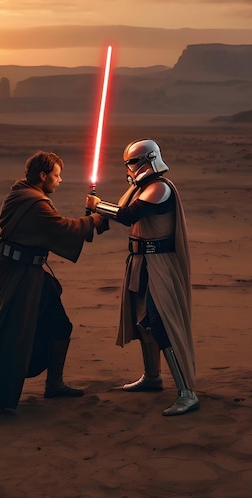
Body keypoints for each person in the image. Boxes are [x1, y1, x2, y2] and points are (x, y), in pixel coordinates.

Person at [0, 150, 105, 415]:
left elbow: (54, 229)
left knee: (60, 325)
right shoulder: (33, 202)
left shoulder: (24, 194)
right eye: (56, 175)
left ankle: (54, 384)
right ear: (43, 175)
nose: (59, 180)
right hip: (19, 275)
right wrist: (94, 218)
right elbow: (61, 228)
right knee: (10, 333)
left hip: (31, 274)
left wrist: (90, 218)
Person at [86, 139, 199, 416]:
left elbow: (129, 215)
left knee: (162, 323)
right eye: (128, 163)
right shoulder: (139, 189)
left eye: (134, 162)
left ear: (150, 159)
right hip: (140, 263)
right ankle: (152, 377)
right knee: (143, 322)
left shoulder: (160, 188)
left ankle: (187, 392)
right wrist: (94, 216)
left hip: (159, 263)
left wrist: (99, 205)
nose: (130, 168)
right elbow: (119, 217)